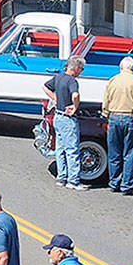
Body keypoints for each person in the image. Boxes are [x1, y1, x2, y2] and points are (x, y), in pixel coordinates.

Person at [102, 56, 133, 195]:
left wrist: (106, 116)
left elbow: (106, 101)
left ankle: (114, 182)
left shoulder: (113, 80)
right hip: (131, 117)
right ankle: (127, 185)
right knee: (130, 153)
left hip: (114, 116)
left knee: (114, 152)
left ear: (121, 67)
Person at [45, 57, 86, 189]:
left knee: (60, 149)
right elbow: (75, 95)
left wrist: (55, 98)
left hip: (58, 116)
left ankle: (61, 177)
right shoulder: (72, 81)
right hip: (68, 119)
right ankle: (73, 181)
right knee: (72, 150)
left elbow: (45, 87)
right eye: (81, 69)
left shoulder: (58, 77)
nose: (81, 71)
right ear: (76, 68)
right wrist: (75, 106)